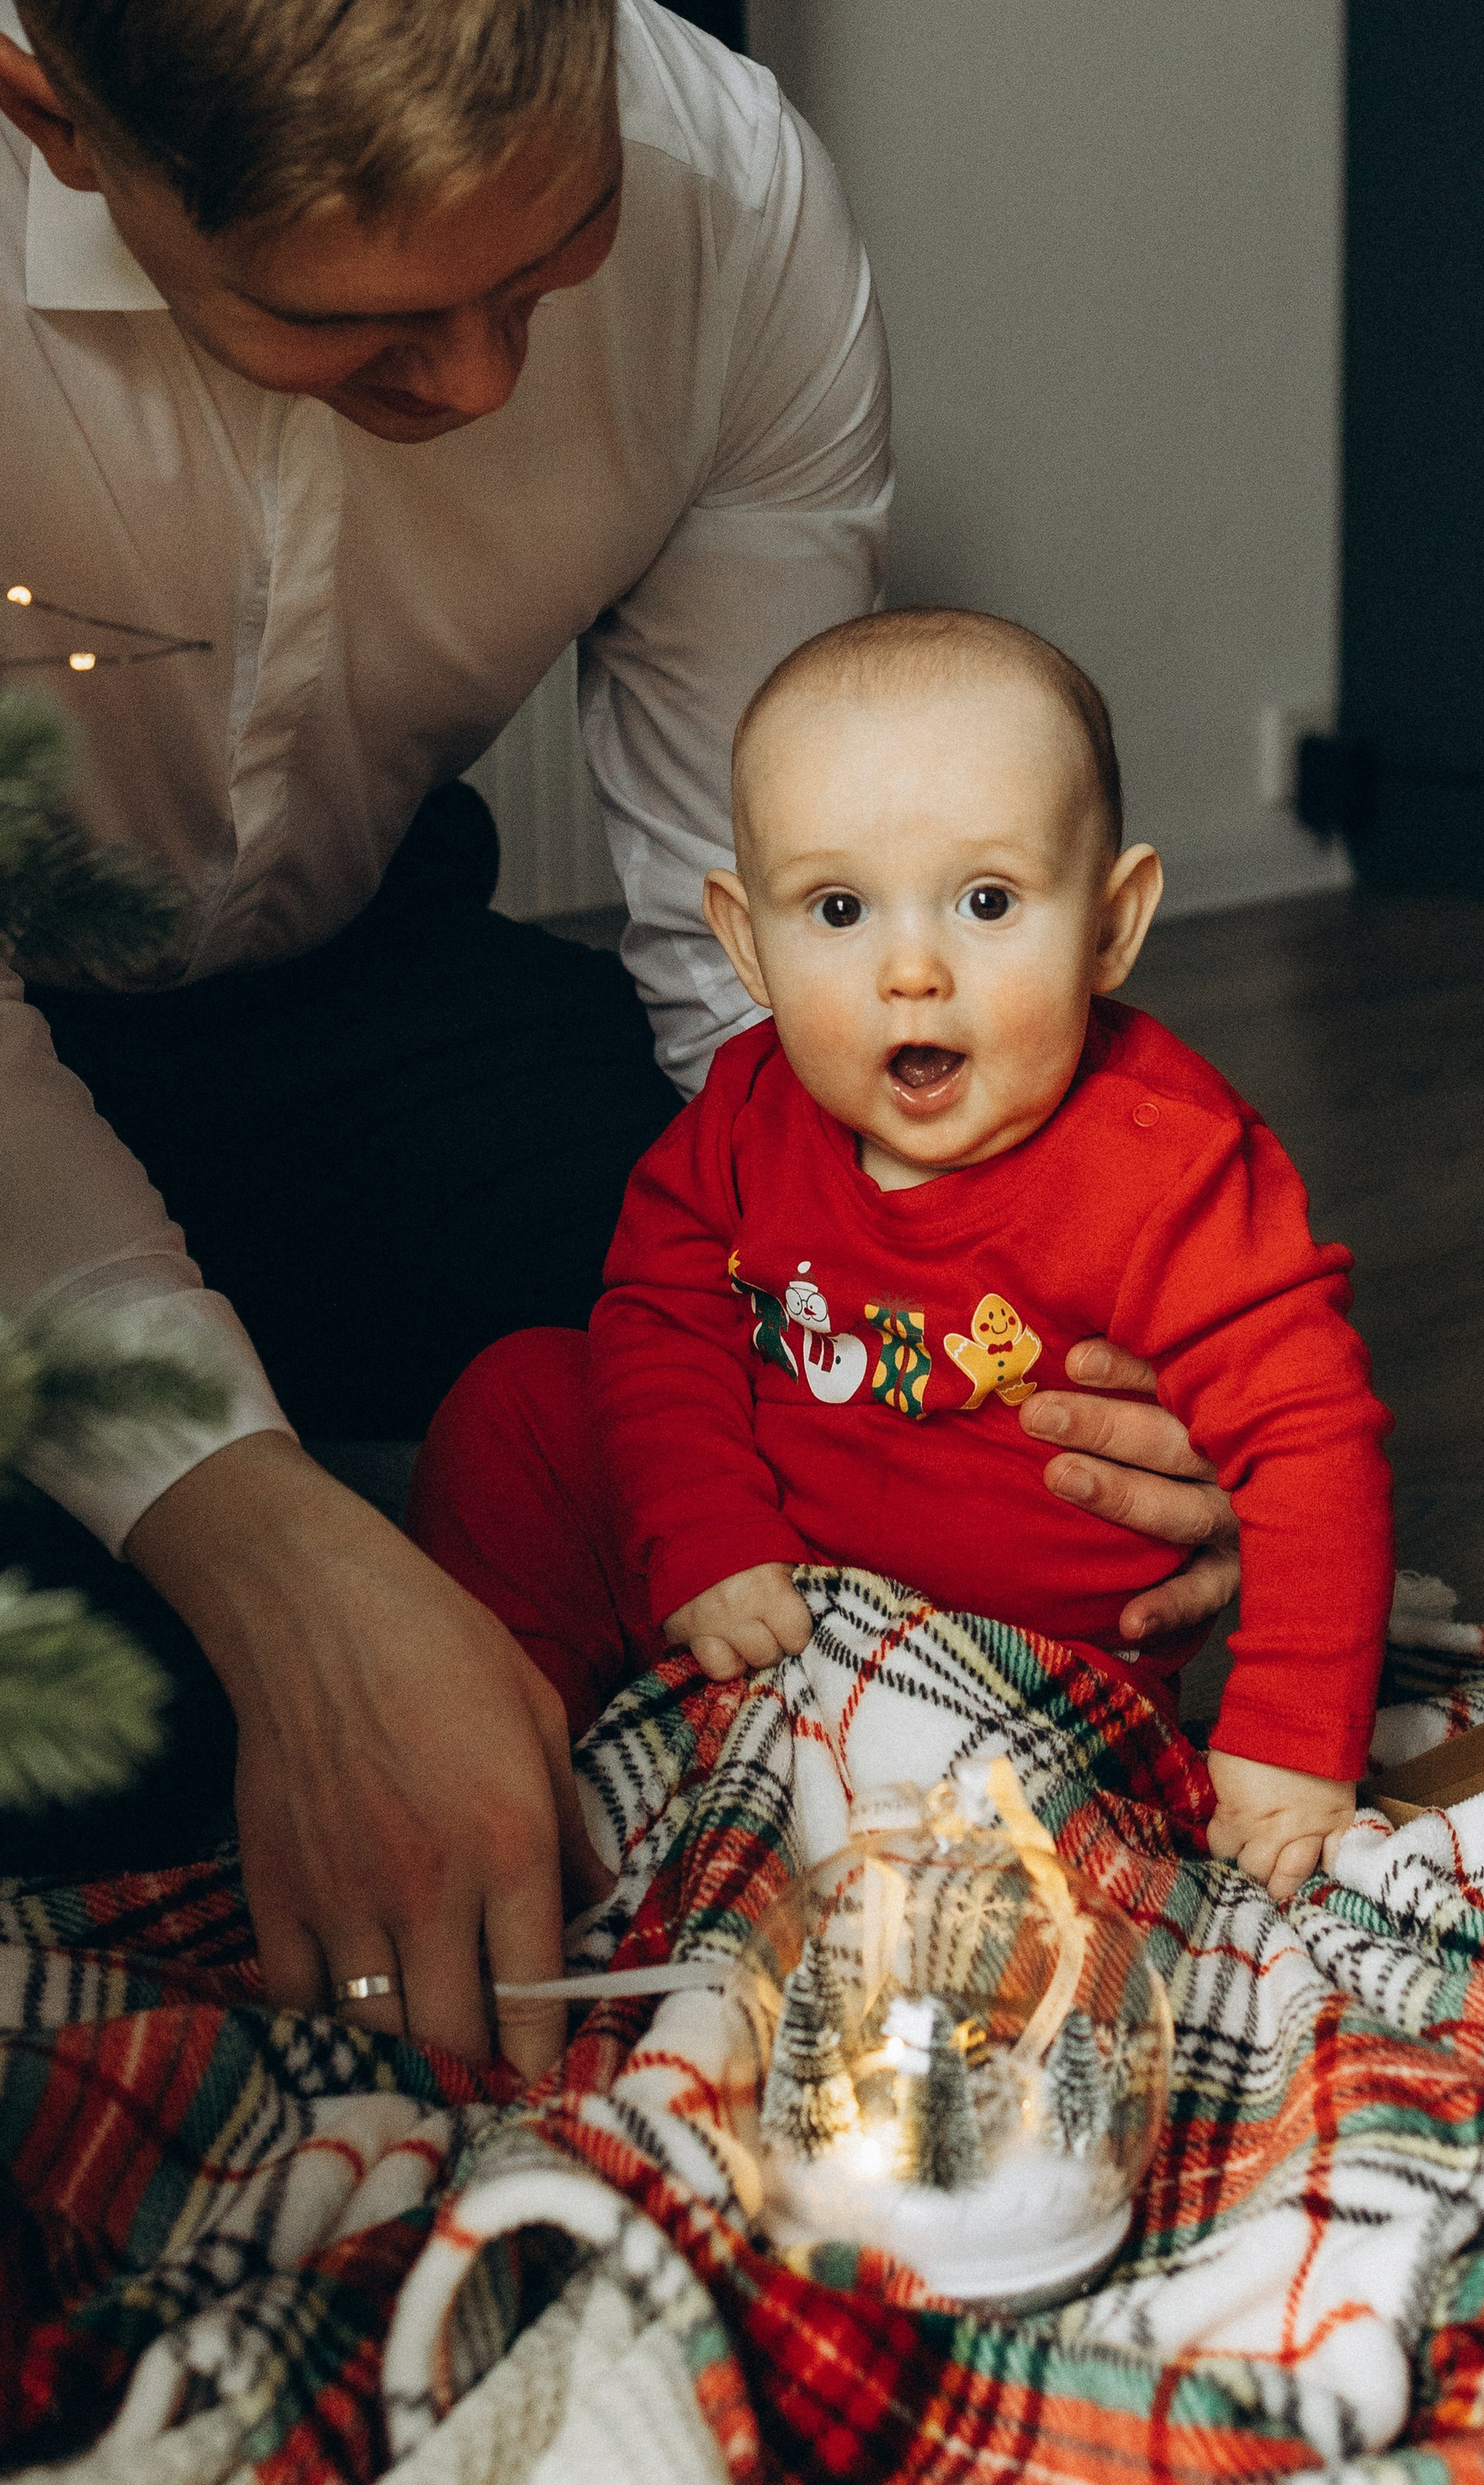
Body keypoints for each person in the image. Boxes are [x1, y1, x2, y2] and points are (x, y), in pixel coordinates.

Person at [0, 0, 1244, 2057]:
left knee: (850, 1413)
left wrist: (1007, 1336)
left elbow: (772, 961)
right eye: (356, 327)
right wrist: (267, 1558)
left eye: (547, 258)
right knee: (32, 1712)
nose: (481, 382)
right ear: (56, 117)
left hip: (361, 1002)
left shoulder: (740, 203)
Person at [414, 609, 1393, 1896]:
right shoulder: (748, 1111)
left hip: (1018, 1680)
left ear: (1110, 927)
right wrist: (706, 1536)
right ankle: (513, 1757)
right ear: (747, 942)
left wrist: (1288, 1743)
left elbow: (1310, 1438)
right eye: (839, 908)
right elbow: (658, 1318)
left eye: (987, 901)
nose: (912, 969)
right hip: (751, 1596)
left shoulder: (1172, 1163)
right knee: (520, 1400)